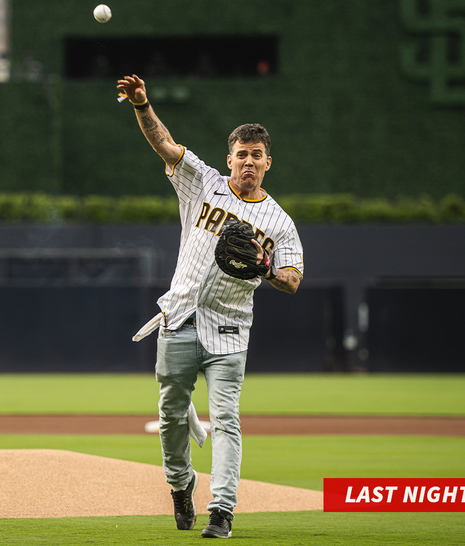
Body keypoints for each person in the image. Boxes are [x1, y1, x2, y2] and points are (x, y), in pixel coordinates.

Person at [118, 74, 304, 539]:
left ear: (267, 163)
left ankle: (222, 510)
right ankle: (181, 486)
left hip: (229, 330)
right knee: (171, 415)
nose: (248, 162)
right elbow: (164, 144)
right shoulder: (202, 181)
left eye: (256, 155)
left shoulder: (279, 222)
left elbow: (294, 279)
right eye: (241, 154)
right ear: (229, 159)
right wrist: (142, 105)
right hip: (179, 317)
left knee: (225, 418)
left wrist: (263, 268)